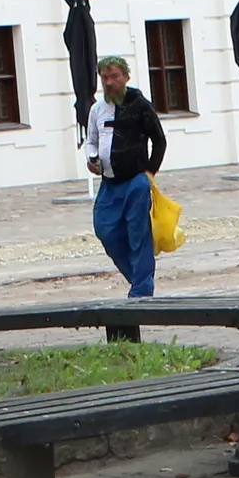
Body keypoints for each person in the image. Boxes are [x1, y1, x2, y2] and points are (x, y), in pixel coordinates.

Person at [83, 54, 164, 298]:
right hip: (109, 183)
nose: (109, 82)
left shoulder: (140, 105)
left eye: (114, 77)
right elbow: (91, 141)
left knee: (138, 235)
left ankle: (141, 289)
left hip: (136, 182)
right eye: (104, 78)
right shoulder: (97, 109)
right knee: (105, 229)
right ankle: (139, 279)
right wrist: (91, 159)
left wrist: (149, 172)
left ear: (126, 77)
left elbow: (159, 140)